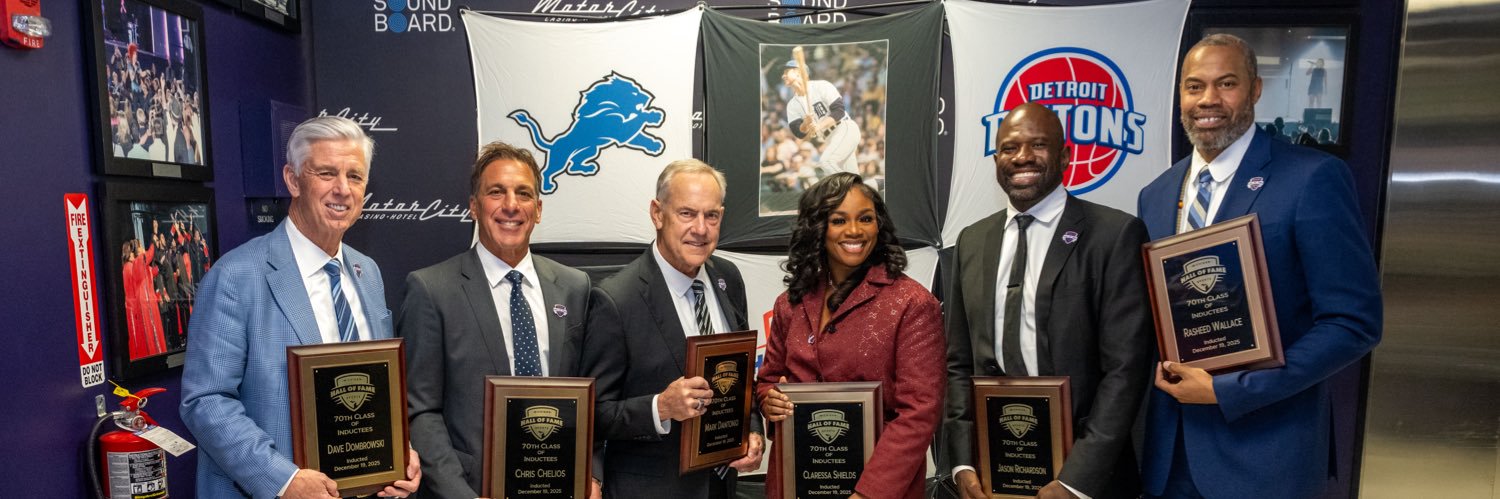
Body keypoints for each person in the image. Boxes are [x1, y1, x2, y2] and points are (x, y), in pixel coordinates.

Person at [1137, 34, 1381, 499]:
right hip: (1170, 457)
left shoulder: (1311, 178)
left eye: (1226, 83)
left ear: (1255, 89)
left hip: (1266, 457)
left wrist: (1236, 389)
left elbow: (1354, 323)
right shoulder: (1157, 194)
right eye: (1194, 86)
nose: (1209, 99)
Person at [180, 116, 422, 499]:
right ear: (293, 180)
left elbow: (377, 387)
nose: (342, 189)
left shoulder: (367, 273)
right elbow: (205, 400)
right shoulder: (237, 276)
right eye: (326, 173)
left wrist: (397, 453)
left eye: (355, 176)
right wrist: (283, 480)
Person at [940, 103, 1153, 499]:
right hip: (992, 472)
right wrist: (963, 461)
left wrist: (1076, 482)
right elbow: (959, 362)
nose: (1022, 157)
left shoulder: (1113, 234)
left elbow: (1126, 369)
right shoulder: (972, 241)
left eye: (1038, 144)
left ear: (1065, 155)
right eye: (1009, 147)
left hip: (1085, 473)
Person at [401, 141, 596, 499]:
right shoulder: (431, 289)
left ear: (538, 210)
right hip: (472, 489)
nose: (511, 205)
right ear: (474, 206)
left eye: (524, 194)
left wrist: (592, 476)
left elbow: (593, 395)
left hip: (560, 486)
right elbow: (421, 411)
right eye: (496, 192)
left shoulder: (574, 287)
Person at [581, 159, 765, 498]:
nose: (701, 228)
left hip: (721, 486)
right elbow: (593, 413)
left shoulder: (728, 279)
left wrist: (752, 430)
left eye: (711, 216)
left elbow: (741, 379)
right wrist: (660, 407)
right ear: (657, 213)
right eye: (687, 213)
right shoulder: (616, 300)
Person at [757, 172, 945, 499]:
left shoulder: (912, 304)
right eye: (839, 220)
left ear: (879, 226)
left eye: (866, 219)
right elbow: (768, 381)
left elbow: (918, 413)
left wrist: (869, 493)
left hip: (878, 489)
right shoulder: (790, 303)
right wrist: (770, 401)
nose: (855, 231)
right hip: (794, 483)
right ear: (818, 228)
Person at [782, 58, 862, 176]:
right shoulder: (792, 105)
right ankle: (880, 184)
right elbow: (798, 133)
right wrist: (805, 123)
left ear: (799, 72)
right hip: (830, 139)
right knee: (855, 181)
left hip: (845, 128)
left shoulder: (821, 86)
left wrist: (818, 126)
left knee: (826, 162)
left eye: (786, 72)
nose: (783, 76)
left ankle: (849, 187)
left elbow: (839, 111)